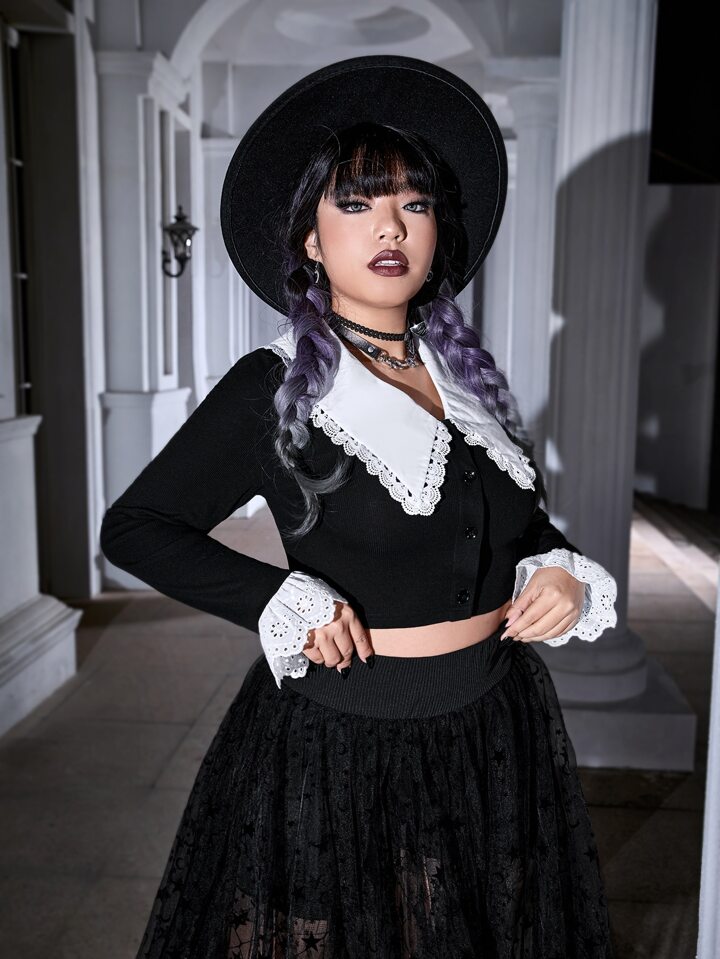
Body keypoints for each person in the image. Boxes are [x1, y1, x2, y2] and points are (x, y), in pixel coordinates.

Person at [101, 55, 618, 959]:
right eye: (356, 202)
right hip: (346, 737)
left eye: (414, 203)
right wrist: (274, 598)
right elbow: (135, 529)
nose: (391, 225)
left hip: (495, 721)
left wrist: (561, 569)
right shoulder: (274, 387)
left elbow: (512, 525)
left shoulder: (465, 378)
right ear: (310, 238)